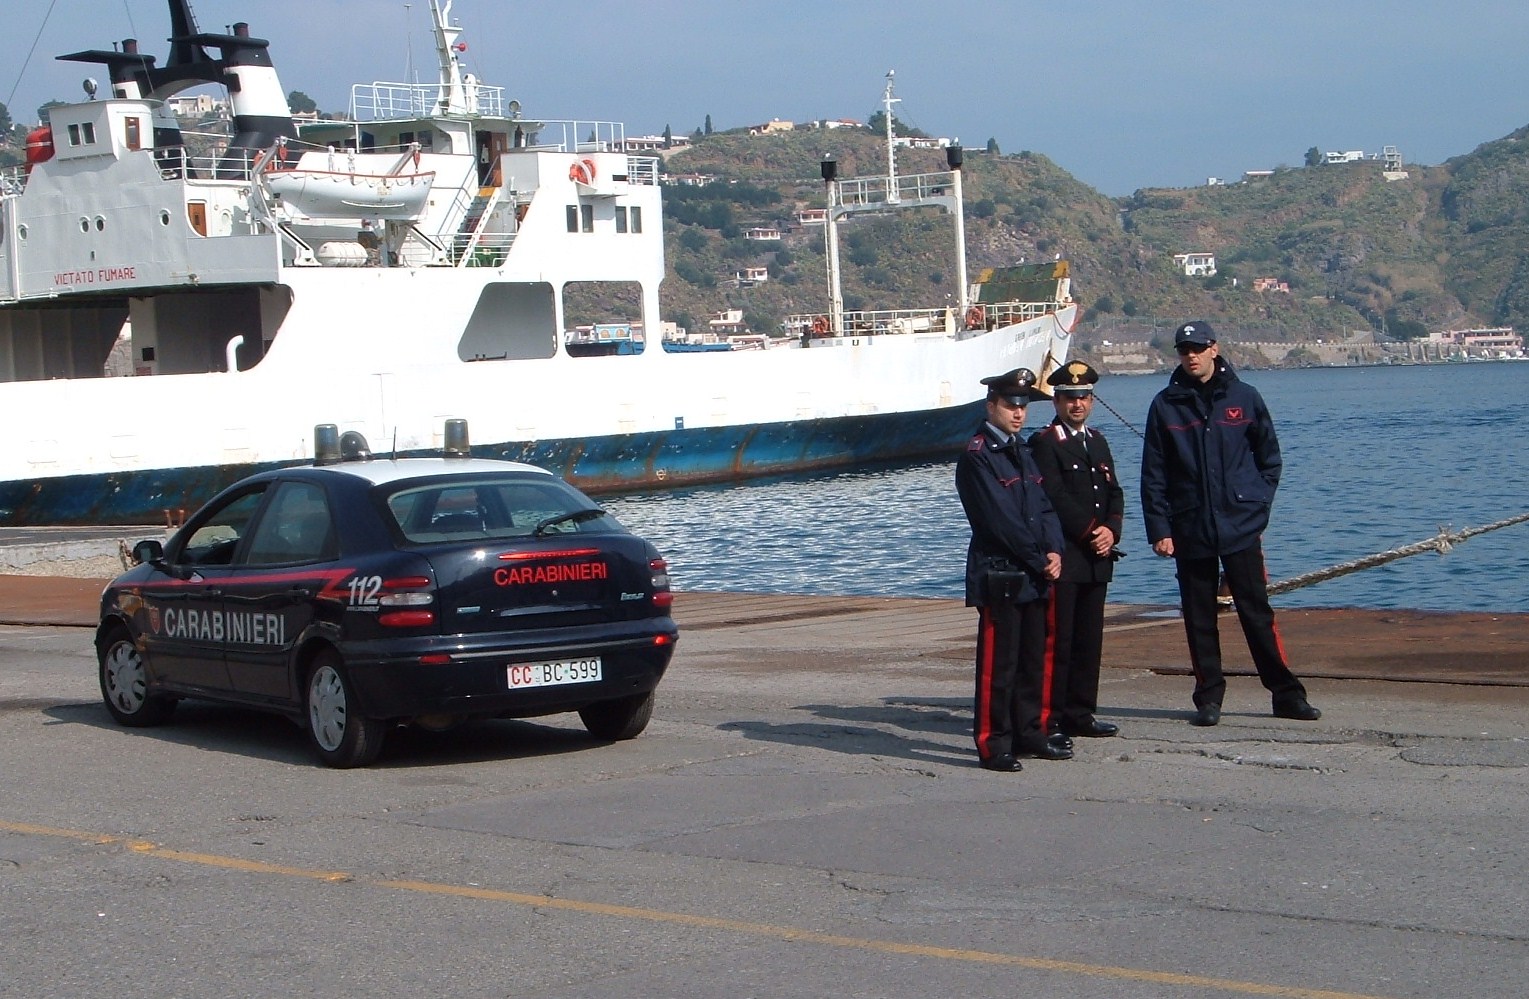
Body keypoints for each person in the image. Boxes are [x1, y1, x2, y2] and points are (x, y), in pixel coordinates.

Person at [1140, 321, 1321, 726]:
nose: (1191, 356)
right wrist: (1159, 529)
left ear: (1214, 349)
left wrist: (1257, 508)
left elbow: (1269, 460)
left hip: (1240, 526)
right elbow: (1153, 474)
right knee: (1199, 616)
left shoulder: (1245, 397)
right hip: (1190, 527)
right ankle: (1209, 698)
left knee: (1257, 613)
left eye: (1198, 348)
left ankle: (1286, 695)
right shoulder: (1165, 404)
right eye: (1184, 349)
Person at [954, 367, 1072, 771]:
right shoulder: (978, 456)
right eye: (1011, 405)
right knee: (998, 665)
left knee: (1031, 659)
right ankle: (994, 742)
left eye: (1023, 406)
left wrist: (1056, 550)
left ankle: (1029, 732)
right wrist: (1040, 558)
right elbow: (998, 521)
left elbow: (1043, 507)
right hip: (1001, 571)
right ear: (992, 406)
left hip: (1035, 572)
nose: (1019, 413)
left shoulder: (1022, 450)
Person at [1028, 360, 1124, 740]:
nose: (1077, 405)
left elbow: (1113, 491)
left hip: (1097, 557)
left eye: (1083, 397)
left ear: (1092, 400)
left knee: (1089, 639)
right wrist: (1090, 532)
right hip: (1066, 555)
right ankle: (1050, 717)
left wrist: (1111, 532)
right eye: (1069, 398)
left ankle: (1081, 712)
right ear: (1057, 401)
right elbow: (1054, 496)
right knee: (1059, 640)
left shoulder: (1097, 440)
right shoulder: (1045, 443)